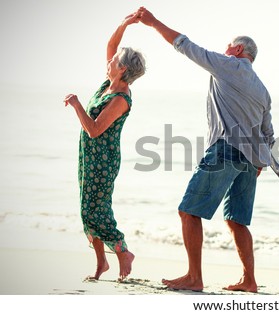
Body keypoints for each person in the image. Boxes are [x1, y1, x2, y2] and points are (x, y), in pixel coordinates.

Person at [137, 6, 277, 292]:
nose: (224, 50)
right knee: (236, 220)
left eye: (228, 46)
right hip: (251, 160)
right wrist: (261, 162)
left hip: (226, 150)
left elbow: (185, 46)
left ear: (237, 50)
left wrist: (152, 22)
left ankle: (194, 277)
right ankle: (249, 281)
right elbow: (268, 133)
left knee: (188, 211)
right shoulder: (262, 88)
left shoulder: (229, 65)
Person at [63, 11, 146, 281]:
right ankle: (102, 264)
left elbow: (95, 129)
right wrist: (124, 24)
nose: (109, 60)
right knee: (87, 209)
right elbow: (111, 47)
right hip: (88, 155)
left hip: (103, 158)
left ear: (122, 69)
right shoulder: (108, 85)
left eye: (114, 61)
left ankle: (122, 251)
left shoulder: (121, 97)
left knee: (94, 210)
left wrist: (76, 105)